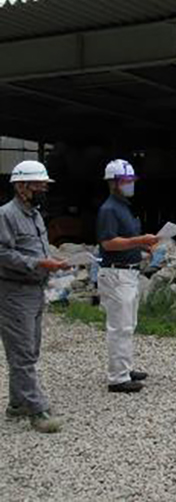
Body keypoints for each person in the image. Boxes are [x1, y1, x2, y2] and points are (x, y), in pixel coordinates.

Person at [0, 160, 68, 433]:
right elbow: (2, 254)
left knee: (31, 348)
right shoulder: (6, 215)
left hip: (34, 289)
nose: (42, 189)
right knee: (23, 353)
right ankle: (37, 410)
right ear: (21, 186)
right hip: (14, 292)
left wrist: (53, 262)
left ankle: (17, 403)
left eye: (44, 184)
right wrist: (38, 264)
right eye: (38, 184)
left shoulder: (35, 214)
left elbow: (36, 248)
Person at [97, 160, 159, 393]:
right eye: (125, 181)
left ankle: (125, 367)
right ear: (113, 183)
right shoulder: (109, 209)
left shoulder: (123, 206)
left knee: (128, 324)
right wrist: (140, 240)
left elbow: (124, 241)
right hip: (116, 273)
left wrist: (142, 248)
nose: (130, 185)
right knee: (119, 326)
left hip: (128, 271)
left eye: (131, 181)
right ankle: (117, 377)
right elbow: (108, 242)